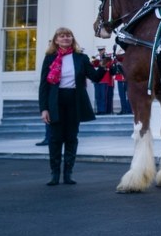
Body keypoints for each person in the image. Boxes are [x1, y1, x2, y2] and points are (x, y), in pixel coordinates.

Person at [39, 27, 106, 185]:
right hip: (55, 102)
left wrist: (103, 66)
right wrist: (44, 109)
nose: (65, 38)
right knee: (55, 139)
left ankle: (68, 174)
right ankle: (55, 174)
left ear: (72, 39)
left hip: (74, 101)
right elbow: (44, 86)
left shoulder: (81, 57)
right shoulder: (50, 58)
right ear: (56, 40)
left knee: (71, 138)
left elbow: (95, 77)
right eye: (62, 36)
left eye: (68, 36)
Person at [92, 47, 114, 115]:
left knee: (103, 96)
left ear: (104, 50)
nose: (100, 52)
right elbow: (92, 65)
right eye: (99, 50)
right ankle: (99, 110)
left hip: (104, 79)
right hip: (97, 80)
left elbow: (109, 65)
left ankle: (103, 110)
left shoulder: (107, 58)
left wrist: (102, 59)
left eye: (101, 50)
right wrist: (95, 58)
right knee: (97, 96)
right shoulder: (97, 58)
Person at [113, 50, 131, 115]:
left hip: (127, 78)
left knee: (128, 95)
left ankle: (129, 109)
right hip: (120, 78)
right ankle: (124, 109)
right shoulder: (117, 61)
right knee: (122, 95)